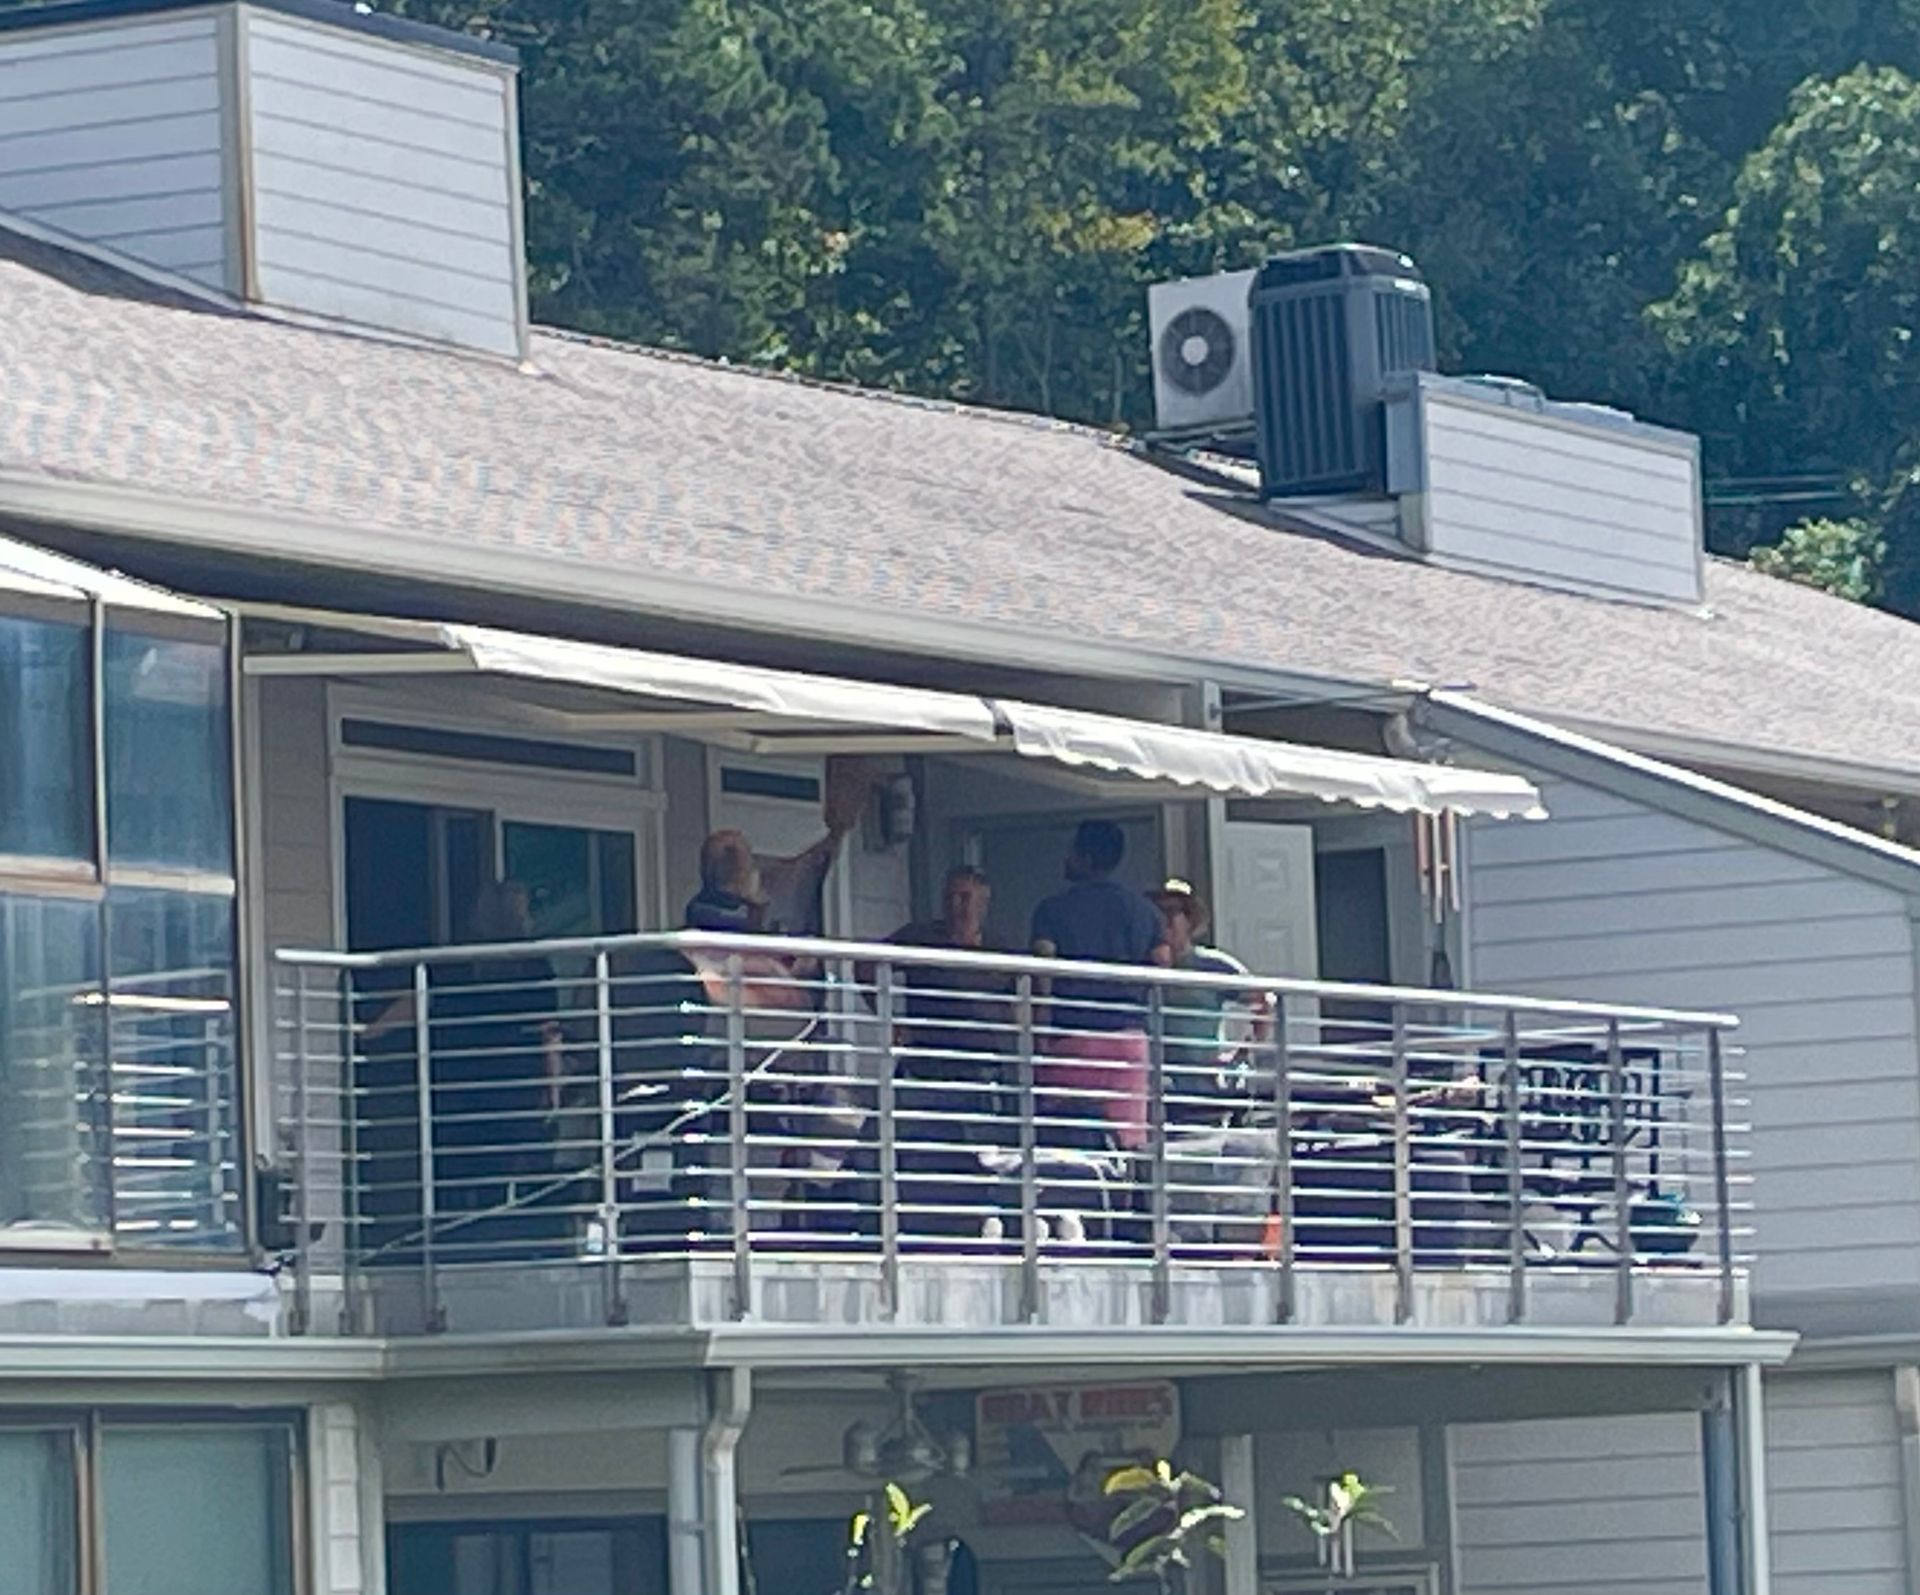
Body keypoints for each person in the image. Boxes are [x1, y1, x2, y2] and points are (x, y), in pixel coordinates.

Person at [881, 866, 1015, 1239]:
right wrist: (888, 1016)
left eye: (967, 897)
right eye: (952, 897)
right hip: (926, 1068)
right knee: (916, 1152)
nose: (958, 906)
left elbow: (1029, 994)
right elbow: (866, 962)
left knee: (980, 1158)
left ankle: (979, 1223)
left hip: (979, 1072)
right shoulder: (921, 938)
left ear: (984, 903)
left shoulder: (1000, 950)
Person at [1029, 819, 1169, 1153]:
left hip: (1074, 1036)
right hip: (1128, 1040)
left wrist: (1038, 1030)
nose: (1066, 857)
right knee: (1127, 1143)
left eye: (1072, 851)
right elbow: (1162, 964)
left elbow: (1042, 968)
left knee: (1064, 1142)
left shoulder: (1052, 909)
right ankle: (1125, 1201)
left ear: (1085, 857)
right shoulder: (1145, 913)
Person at [1149, 879, 1269, 1120]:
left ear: (1189, 919)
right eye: (1159, 912)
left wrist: (1242, 1053)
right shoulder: (1142, 964)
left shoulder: (1212, 966)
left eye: (1174, 911)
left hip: (1204, 1083)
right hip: (1157, 1084)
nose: (1166, 920)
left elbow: (1264, 1002)